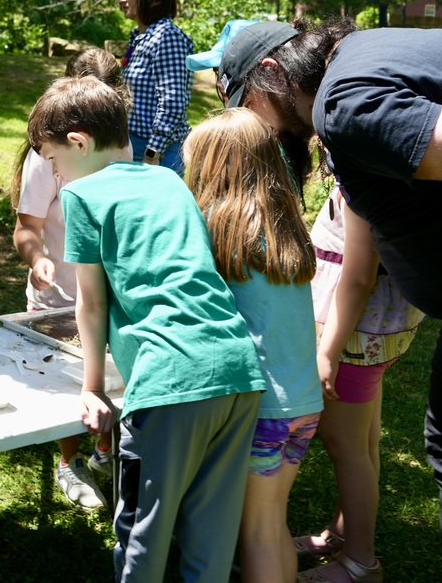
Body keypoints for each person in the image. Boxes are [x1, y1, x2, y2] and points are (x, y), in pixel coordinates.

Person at [218, 21, 442, 582]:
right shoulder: (371, 50)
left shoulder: (345, 101)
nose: (258, 126)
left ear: (275, 74)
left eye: (251, 103)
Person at [27, 75, 265, 583]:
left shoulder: (82, 196)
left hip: (170, 383)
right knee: (210, 540)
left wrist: (91, 388)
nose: (55, 174)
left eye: (51, 162)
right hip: (237, 370)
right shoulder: (168, 180)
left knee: (144, 539)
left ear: (78, 143)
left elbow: (90, 303)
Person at [184, 107, 323, 583]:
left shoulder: (215, 223)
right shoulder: (285, 224)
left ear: (211, 165)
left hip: (261, 407)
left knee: (256, 531)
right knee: (272, 522)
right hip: (304, 403)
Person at [294, 182, 425, 583]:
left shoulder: (361, 174)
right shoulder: (389, 165)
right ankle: (343, 534)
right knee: (364, 442)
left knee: (345, 447)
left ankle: (360, 562)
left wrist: (326, 353)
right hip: (377, 330)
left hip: (354, 335)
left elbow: (358, 276)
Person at [11, 48, 123, 510]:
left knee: (106, 381)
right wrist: (38, 260)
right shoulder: (47, 158)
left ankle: (102, 453)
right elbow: (26, 228)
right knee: (65, 385)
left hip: (104, 294)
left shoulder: (121, 147)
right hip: (59, 297)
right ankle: (68, 461)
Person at [118, 0, 192, 172]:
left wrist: (153, 152)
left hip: (159, 152)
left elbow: (173, 102)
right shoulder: (139, 37)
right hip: (134, 145)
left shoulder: (167, 37)